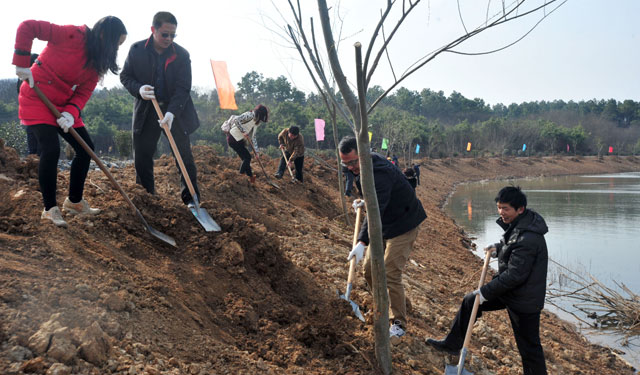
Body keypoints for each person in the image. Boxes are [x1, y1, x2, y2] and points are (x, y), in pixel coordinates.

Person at [13, 16, 127, 227]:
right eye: (115, 44)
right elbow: (27, 27)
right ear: (103, 35)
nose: (115, 51)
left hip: (63, 106)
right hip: (37, 97)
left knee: (86, 149)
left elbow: (83, 92)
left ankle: (74, 202)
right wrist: (21, 62)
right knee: (51, 149)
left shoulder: (96, 62)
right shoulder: (72, 34)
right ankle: (50, 209)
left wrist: (70, 114)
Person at [426, 186, 548, 375]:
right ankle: (452, 344)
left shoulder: (529, 237)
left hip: (524, 300)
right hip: (511, 292)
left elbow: (515, 274)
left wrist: (485, 293)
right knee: (470, 301)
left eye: (506, 208)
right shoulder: (521, 226)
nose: (501, 212)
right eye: (499, 207)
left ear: (520, 209)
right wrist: (499, 248)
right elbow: (512, 245)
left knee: (529, 348)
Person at [339, 136, 427, 342]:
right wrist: (364, 200)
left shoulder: (379, 172)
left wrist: (362, 242)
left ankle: (398, 323)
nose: (351, 167)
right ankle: (387, 303)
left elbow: (376, 209)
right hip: (384, 224)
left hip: (403, 224)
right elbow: (373, 201)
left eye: (353, 162)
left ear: (362, 153)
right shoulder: (361, 168)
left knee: (389, 271)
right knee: (368, 269)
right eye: (346, 163)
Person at [120, 11, 201, 205]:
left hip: (175, 111)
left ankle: (191, 199)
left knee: (184, 156)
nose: (169, 39)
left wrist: (172, 112)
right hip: (147, 110)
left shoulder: (181, 55)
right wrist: (138, 89)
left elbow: (183, 87)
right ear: (153, 30)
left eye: (173, 35)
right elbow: (125, 77)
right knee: (142, 155)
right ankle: (147, 198)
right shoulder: (137, 50)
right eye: (165, 34)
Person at [221, 104, 269, 184]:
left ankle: (251, 177)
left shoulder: (256, 122)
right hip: (233, 138)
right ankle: (240, 175)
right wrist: (243, 131)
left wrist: (256, 152)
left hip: (239, 140)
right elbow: (237, 120)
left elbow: (253, 137)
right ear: (260, 113)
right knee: (247, 157)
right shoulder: (250, 115)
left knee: (245, 158)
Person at [16, 53, 40, 156]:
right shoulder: (24, 78)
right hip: (34, 117)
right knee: (37, 149)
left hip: (32, 117)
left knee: (37, 149)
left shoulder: (36, 76)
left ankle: (36, 165)